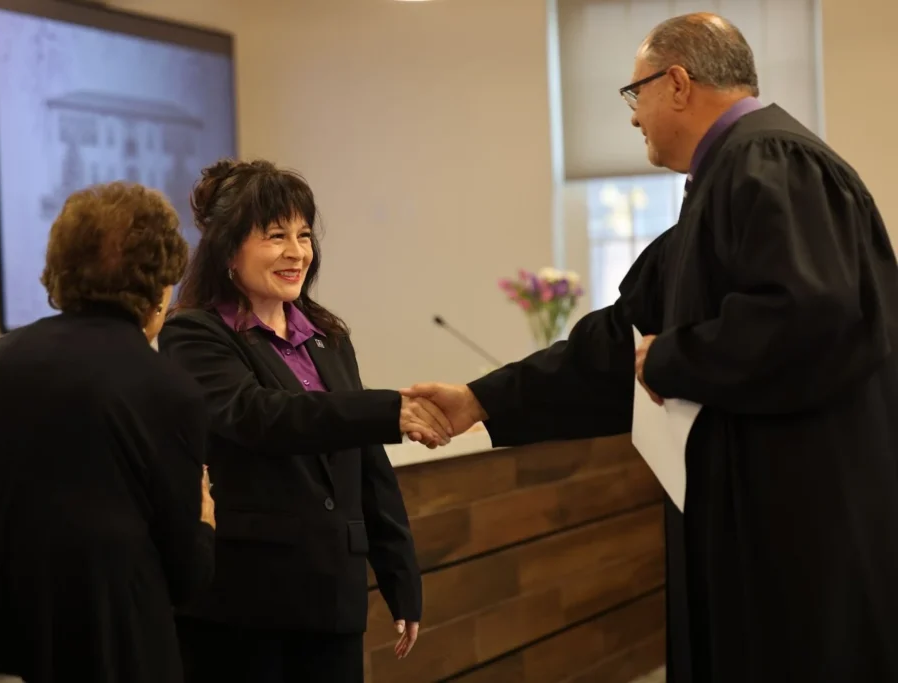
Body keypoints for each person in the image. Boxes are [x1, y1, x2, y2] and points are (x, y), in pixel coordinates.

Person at [401, 13, 898, 683]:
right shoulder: (719, 186)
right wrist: (479, 399)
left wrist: (672, 358)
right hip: (753, 517)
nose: (633, 117)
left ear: (678, 82)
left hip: (803, 518)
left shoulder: (771, 159)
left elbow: (812, 316)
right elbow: (614, 343)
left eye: (635, 94)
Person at [0, 182, 217, 683]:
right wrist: (205, 520)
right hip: (103, 653)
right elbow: (186, 577)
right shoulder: (164, 386)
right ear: (161, 282)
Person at [159, 159, 440, 683]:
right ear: (227, 250)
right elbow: (261, 417)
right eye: (275, 236)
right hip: (245, 604)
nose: (297, 252)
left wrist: (400, 575)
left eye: (304, 235)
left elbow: (367, 464)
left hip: (332, 597)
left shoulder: (329, 337)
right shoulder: (194, 335)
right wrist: (388, 410)